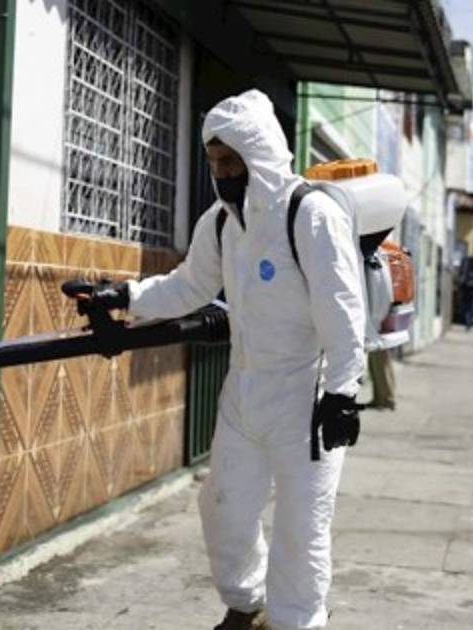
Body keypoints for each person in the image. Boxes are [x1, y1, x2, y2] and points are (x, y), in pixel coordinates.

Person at [68, 90, 366, 630]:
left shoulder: (309, 215)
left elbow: (343, 311)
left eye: (231, 160)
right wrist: (125, 297)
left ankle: (297, 622)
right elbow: (188, 286)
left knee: (302, 526)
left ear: (260, 153)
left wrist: (342, 394)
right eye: (214, 162)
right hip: (244, 393)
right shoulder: (223, 223)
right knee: (223, 508)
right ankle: (247, 605)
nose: (222, 173)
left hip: (306, 398)